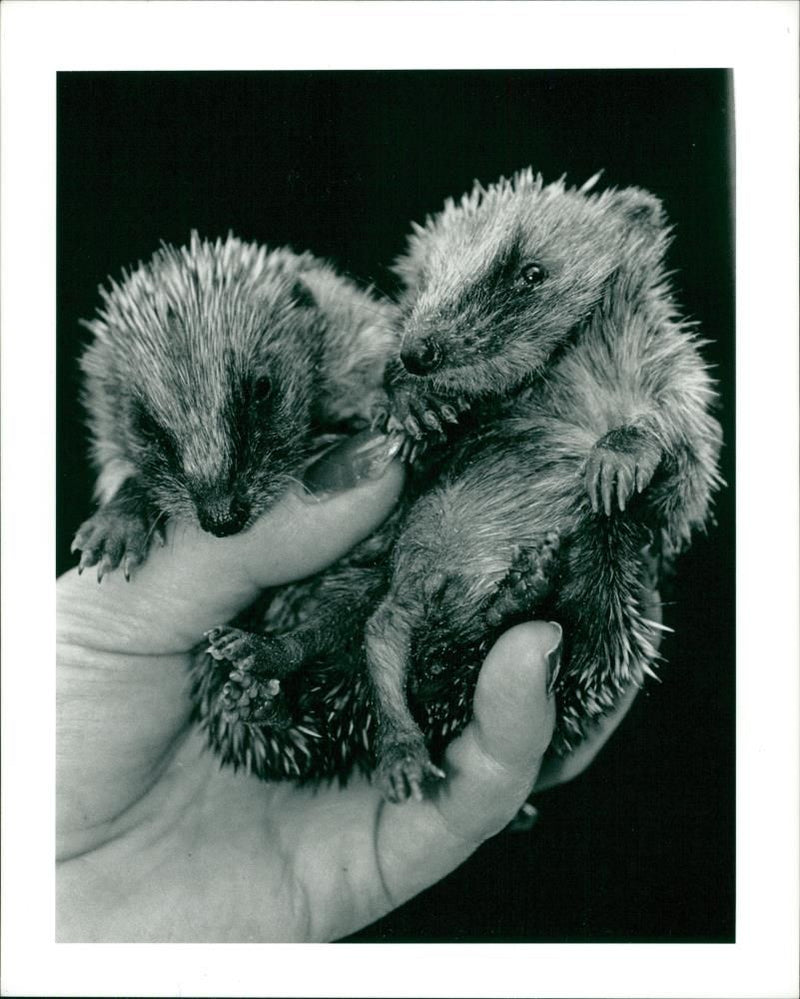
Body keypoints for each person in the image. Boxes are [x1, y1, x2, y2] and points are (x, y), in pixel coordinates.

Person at [56, 432, 646, 942]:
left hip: (399, 584)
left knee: (383, 621)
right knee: (371, 620)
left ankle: (292, 687)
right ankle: (291, 689)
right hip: (374, 593)